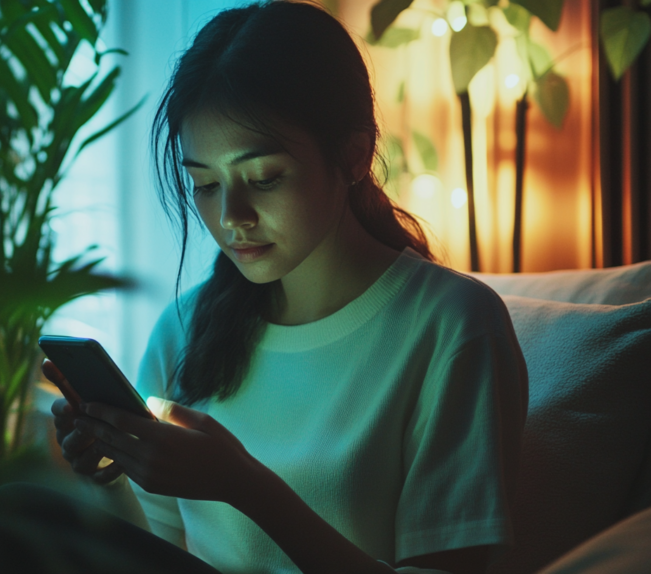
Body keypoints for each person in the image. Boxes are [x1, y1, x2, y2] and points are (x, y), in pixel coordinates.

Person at [44, 1, 528, 573]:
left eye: (263, 178)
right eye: (203, 183)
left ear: (353, 154)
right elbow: (156, 551)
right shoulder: (185, 328)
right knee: (16, 515)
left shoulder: (451, 326)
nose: (231, 216)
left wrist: (243, 485)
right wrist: (106, 477)